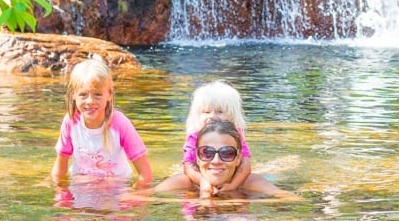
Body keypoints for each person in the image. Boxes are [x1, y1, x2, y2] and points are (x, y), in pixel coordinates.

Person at [51, 58, 153, 206]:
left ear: (109, 94)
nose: (90, 101)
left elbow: (145, 174)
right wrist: (60, 192)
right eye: (83, 95)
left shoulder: (120, 124)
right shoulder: (71, 122)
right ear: (73, 95)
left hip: (116, 189)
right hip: (82, 188)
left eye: (97, 94)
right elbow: (60, 168)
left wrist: (134, 197)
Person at [155, 119, 280, 197]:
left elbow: (288, 198)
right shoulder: (184, 183)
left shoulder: (249, 183)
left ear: (238, 159)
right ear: (197, 157)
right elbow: (139, 199)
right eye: (207, 152)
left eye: (227, 153)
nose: (216, 161)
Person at [178, 80, 253, 195]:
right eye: (206, 112)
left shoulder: (236, 135)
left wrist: (232, 186)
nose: (212, 116)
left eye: (220, 111)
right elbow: (188, 166)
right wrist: (202, 181)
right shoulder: (194, 136)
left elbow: (246, 164)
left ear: (232, 115)